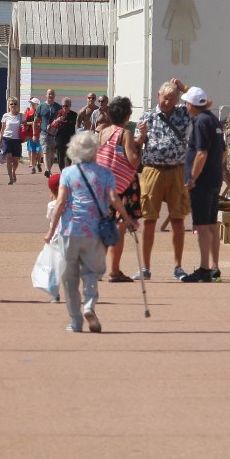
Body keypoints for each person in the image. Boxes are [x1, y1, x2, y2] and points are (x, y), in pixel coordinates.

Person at [44, 131, 137, 333]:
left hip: (70, 229)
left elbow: (60, 203)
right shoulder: (105, 174)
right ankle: (89, 306)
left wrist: (51, 230)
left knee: (70, 278)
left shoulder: (68, 173)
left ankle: (76, 322)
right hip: (94, 231)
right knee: (91, 274)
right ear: (95, 150)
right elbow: (114, 198)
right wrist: (128, 220)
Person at [136, 79, 192, 280]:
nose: (167, 101)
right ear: (158, 96)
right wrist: (141, 136)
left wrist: (184, 88)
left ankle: (178, 267)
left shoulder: (184, 113)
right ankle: (145, 267)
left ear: (177, 99)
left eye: (171, 98)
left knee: (178, 219)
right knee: (149, 219)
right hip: (153, 170)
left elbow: (201, 104)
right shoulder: (148, 116)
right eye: (164, 97)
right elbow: (136, 142)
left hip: (177, 170)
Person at [95, 97, 145, 282]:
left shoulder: (102, 132)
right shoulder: (125, 133)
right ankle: (114, 270)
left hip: (103, 183)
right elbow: (132, 159)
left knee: (105, 226)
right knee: (120, 227)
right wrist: (140, 150)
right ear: (127, 116)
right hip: (122, 187)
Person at [180, 86, 227, 283]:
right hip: (215, 178)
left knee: (200, 226)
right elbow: (224, 152)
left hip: (203, 181)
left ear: (191, 104)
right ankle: (214, 266)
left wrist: (192, 178)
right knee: (211, 225)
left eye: (186, 103)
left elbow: (201, 153)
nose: (185, 106)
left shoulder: (200, 122)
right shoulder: (214, 120)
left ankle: (204, 268)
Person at [34, 89, 61, 176]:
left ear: (54, 95)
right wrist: (34, 134)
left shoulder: (58, 107)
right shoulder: (41, 106)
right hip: (44, 133)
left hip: (54, 134)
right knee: (45, 151)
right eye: (49, 94)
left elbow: (62, 119)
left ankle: (49, 169)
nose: (51, 95)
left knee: (52, 154)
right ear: (46, 95)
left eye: (52, 94)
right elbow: (35, 121)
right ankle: (47, 170)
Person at [0, 97, 23, 185]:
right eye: (11, 104)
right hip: (6, 139)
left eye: (15, 104)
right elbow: (2, 129)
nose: (13, 106)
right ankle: (10, 178)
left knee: (16, 161)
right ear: (8, 105)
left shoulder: (20, 116)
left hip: (16, 140)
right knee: (8, 157)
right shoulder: (5, 116)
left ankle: (13, 171)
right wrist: (0, 141)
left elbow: (25, 126)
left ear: (17, 105)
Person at [45, 172, 63, 303]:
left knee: (54, 266)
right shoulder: (70, 202)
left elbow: (49, 218)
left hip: (54, 238)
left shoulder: (51, 205)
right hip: (68, 236)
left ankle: (54, 294)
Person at [54, 97, 78, 170]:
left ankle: (67, 172)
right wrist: (57, 120)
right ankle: (62, 172)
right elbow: (53, 124)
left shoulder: (74, 115)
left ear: (70, 106)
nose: (64, 107)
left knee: (69, 158)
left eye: (66, 106)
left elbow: (73, 124)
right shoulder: (58, 113)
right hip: (59, 140)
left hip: (69, 140)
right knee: (60, 159)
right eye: (63, 106)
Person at [25, 97, 42, 173]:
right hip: (31, 135)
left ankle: (38, 163)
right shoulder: (29, 113)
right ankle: (33, 167)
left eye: (33, 103)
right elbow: (25, 123)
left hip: (40, 135)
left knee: (39, 151)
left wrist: (38, 124)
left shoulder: (41, 112)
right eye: (31, 103)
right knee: (32, 151)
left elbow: (44, 122)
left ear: (37, 104)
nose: (31, 104)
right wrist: (31, 123)